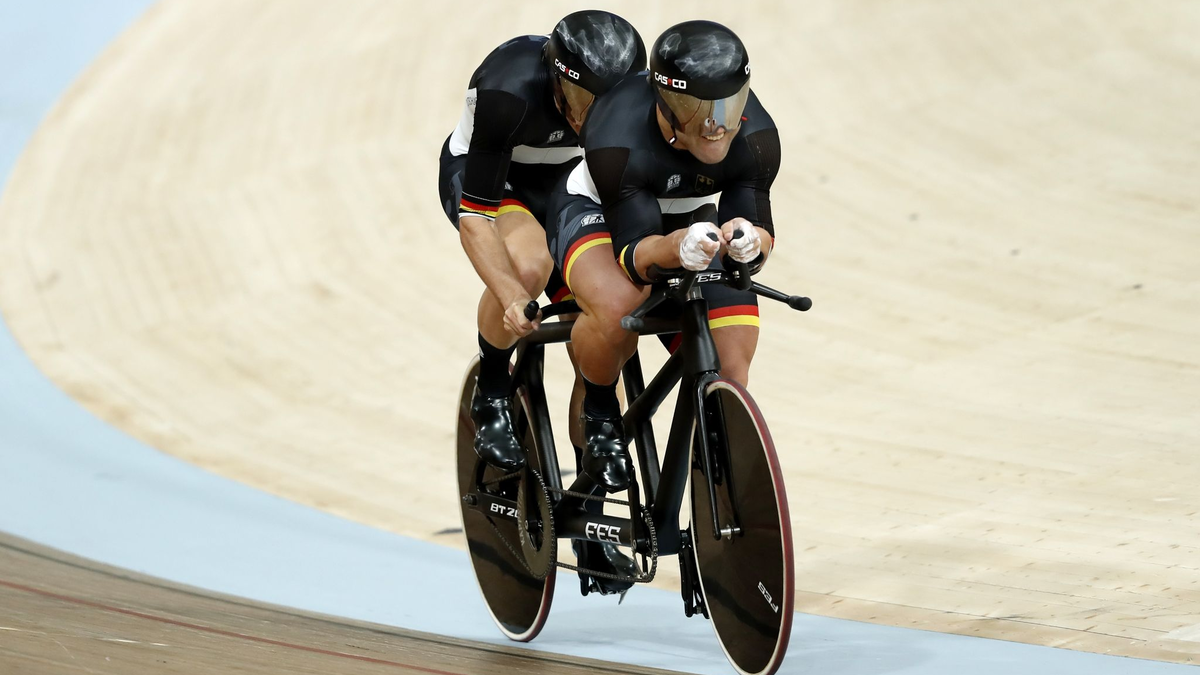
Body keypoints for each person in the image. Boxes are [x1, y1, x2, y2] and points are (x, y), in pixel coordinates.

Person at [548, 20, 779, 496]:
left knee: (730, 365)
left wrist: (749, 241)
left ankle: (710, 492)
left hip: (689, 219)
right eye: (697, 110)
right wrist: (677, 246)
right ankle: (599, 412)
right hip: (602, 212)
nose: (716, 125)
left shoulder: (755, 138)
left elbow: (758, 227)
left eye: (729, 106)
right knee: (617, 308)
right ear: (665, 103)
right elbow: (635, 256)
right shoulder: (616, 137)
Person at [439, 12, 645, 472]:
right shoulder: (506, 89)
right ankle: (491, 393)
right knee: (529, 266)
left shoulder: (638, 103)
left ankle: (586, 501)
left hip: (564, 187)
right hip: (496, 181)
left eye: (606, 102)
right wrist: (511, 294)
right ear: (554, 76)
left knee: (600, 331)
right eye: (579, 97)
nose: (589, 115)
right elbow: (477, 218)